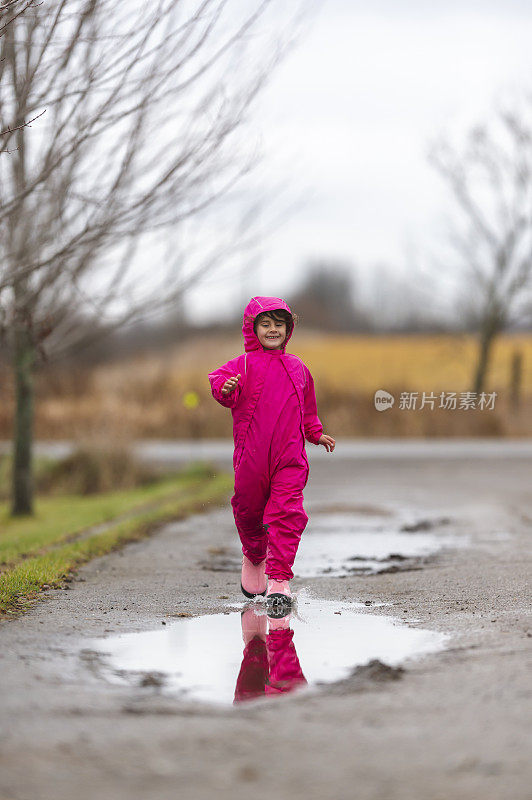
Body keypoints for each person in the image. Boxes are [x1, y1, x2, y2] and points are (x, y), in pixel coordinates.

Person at [208, 296, 335, 612]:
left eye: (279, 324)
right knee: (248, 509)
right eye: (265, 324)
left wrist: (315, 433)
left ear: (288, 329)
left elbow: (307, 408)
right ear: (252, 328)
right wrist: (226, 389)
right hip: (251, 456)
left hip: (289, 457)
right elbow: (221, 384)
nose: (273, 329)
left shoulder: (298, 368)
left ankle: (279, 580)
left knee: (286, 513)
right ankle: (254, 554)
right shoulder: (243, 365)